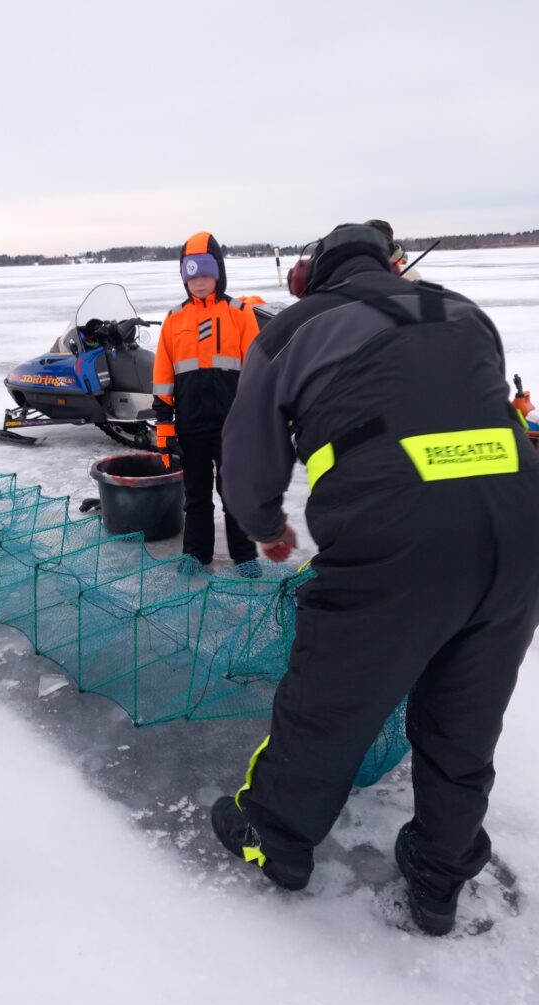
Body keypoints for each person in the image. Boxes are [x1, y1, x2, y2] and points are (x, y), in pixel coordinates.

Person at [212, 223, 539, 935]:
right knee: (466, 714)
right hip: (521, 525)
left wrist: (267, 529)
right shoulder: (464, 311)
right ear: (389, 266)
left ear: (317, 276)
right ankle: (439, 877)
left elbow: (244, 469)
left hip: (397, 530)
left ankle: (274, 836)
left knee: (330, 697)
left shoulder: (290, 332)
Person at [152, 231, 260, 574]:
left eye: (205, 275)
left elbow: (259, 376)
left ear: (219, 274)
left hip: (233, 426)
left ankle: (245, 557)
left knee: (236, 496)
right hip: (191, 425)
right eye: (191, 275)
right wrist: (165, 430)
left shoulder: (241, 314)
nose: (198, 283)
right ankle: (196, 555)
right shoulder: (173, 320)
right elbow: (163, 379)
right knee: (196, 497)